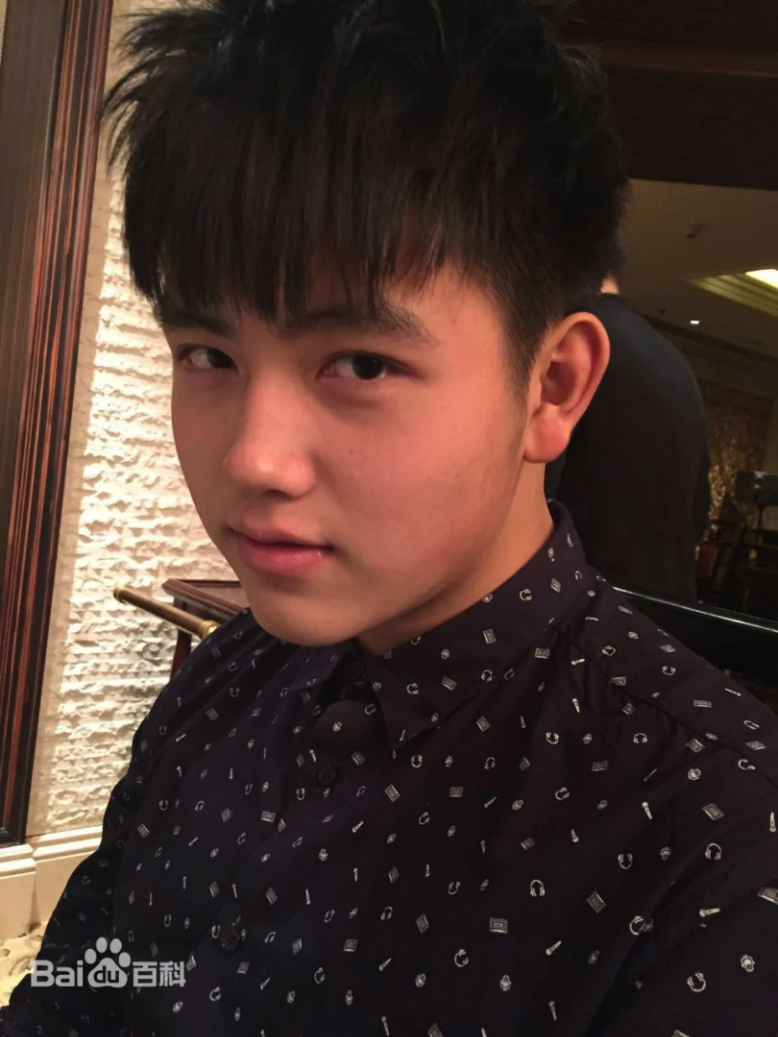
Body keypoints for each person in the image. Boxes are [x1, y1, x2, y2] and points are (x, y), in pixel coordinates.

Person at [2, 1, 777, 1034]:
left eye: (362, 363)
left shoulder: (721, 835)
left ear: (550, 385)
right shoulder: (223, 679)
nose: (251, 459)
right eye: (208, 353)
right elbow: (88, 983)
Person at [545, 236, 711, 602]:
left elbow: (537, 495)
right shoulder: (676, 363)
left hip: (577, 603)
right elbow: (699, 509)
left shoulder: (563, 343)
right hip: (669, 610)